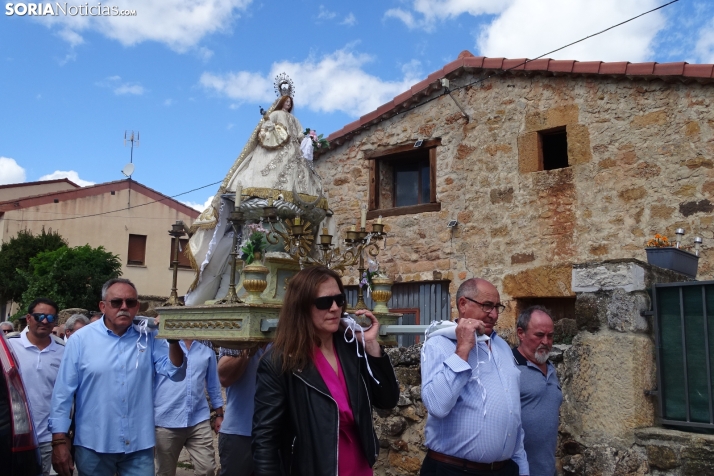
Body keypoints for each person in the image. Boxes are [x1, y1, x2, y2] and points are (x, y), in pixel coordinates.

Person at [185, 85, 325, 306]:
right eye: (285, 102)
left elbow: (298, 134)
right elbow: (271, 133)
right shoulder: (276, 115)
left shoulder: (293, 119)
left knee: (294, 194)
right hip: (275, 152)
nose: (288, 105)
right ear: (280, 103)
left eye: (290, 103)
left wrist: (309, 139)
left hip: (293, 159)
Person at [252, 266, 400, 476]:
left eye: (339, 300)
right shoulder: (280, 361)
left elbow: (387, 400)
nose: (334, 308)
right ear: (301, 306)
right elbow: (265, 437)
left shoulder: (351, 347)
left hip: (358, 464)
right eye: (324, 302)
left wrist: (371, 346)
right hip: (312, 467)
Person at [49, 278, 186, 476]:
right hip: (94, 444)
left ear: (137, 306)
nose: (124, 307)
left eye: (130, 303)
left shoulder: (149, 336)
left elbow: (176, 372)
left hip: (138, 446)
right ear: (103, 306)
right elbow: (63, 393)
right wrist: (59, 440)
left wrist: (173, 338)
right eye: (116, 302)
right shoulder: (80, 340)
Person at [420, 278, 528, 476]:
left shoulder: (502, 347)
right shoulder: (439, 344)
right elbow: (437, 406)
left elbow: (513, 414)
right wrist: (462, 349)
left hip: (504, 469)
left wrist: (521, 468)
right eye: (487, 306)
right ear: (463, 304)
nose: (494, 315)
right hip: (454, 469)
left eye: (497, 307)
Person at [7, 297, 65, 476]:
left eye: (51, 318)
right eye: (40, 316)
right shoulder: (9, 346)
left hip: (47, 439)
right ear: (29, 318)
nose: (45, 322)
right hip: (13, 436)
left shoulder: (64, 352)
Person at [154, 339, 224, 476]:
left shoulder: (206, 347)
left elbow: (213, 385)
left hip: (198, 419)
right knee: (165, 472)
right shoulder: (161, 344)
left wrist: (219, 414)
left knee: (207, 468)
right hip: (166, 421)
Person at [513, 306, 562, 476]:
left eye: (550, 336)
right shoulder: (508, 368)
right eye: (539, 335)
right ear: (521, 333)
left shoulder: (551, 369)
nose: (546, 342)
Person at [216, 346, 265, 476]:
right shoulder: (236, 336)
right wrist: (248, 349)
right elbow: (225, 378)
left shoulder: (286, 334)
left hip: (275, 433)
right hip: (239, 433)